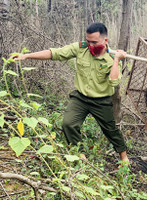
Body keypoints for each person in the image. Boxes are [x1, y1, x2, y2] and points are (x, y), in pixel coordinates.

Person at [12, 22, 129, 165]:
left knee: (110, 129)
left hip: (101, 100)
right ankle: (79, 156)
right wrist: (27, 56)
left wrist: (117, 59)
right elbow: (54, 53)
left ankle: (124, 158)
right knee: (68, 123)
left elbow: (114, 82)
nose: (90, 45)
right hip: (80, 98)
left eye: (94, 42)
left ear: (105, 41)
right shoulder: (81, 48)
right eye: (88, 41)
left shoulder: (112, 58)